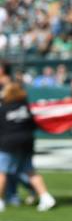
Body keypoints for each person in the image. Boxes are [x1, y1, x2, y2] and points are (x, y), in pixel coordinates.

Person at [0, 82, 55, 212]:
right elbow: (32, 125)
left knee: (2, 172)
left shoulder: (3, 109)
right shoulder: (26, 108)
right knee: (30, 171)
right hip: (27, 142)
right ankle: (46, 197)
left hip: (8, 143)